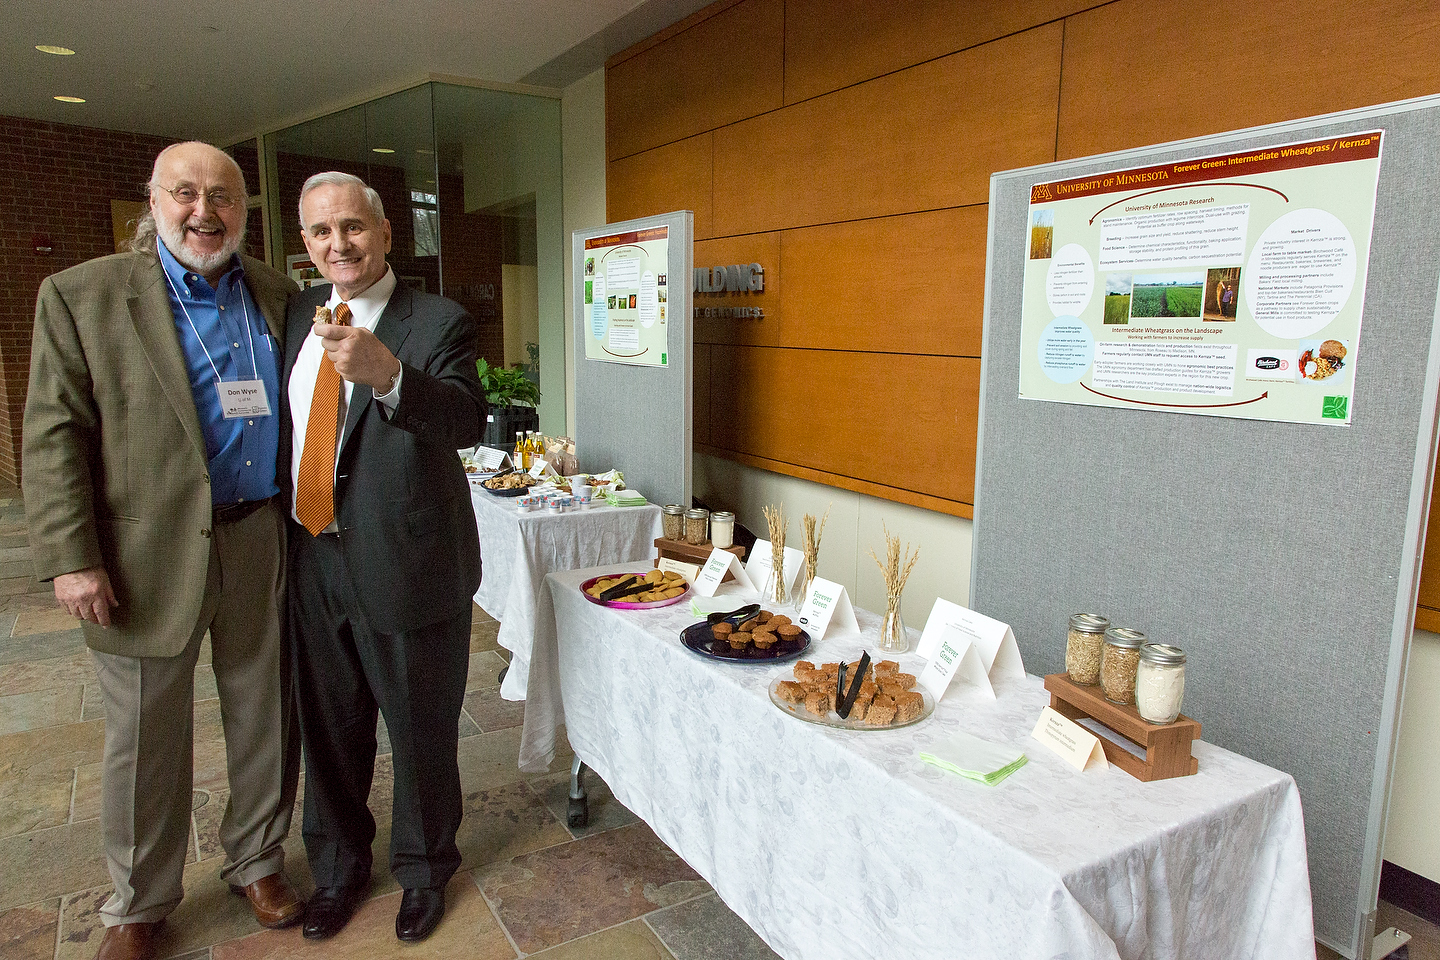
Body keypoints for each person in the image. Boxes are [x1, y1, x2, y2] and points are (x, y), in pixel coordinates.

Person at [22, 142, 303, 960]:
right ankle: (139, 901)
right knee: (144, 734)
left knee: (262, 715)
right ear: (152, 200)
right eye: (185, 193)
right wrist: (72, 556)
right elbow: (52, 434)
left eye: (222, 198)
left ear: (245, 212)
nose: (203, 212)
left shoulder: (278, 295)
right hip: (142, 555)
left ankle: (255, 859)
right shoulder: (82, 296)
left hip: (258, 536)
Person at [283, 171, 484, 942]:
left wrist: (391, 378)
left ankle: (426, 870)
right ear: (305, 243)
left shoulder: (436, 319)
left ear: (386, 233)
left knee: (418, 728)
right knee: (329, 728)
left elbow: (466, 418)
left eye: (353, 228)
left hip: (408, 560)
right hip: (313, 557)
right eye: (321, 232)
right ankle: (336, 870)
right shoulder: (299, 311)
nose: (339, 244)